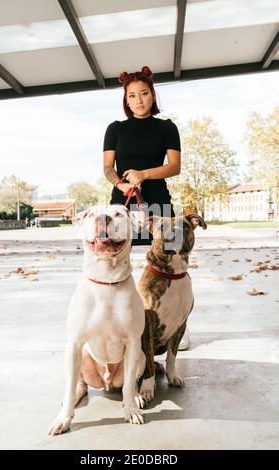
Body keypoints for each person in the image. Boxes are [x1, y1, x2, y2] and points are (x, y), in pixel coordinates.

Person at [103, 65, 190, 350]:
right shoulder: (114, 129)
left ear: (152, 95)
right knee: (117, 266)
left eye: (144, 93)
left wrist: (143, 175)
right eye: (132, 96)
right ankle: (121, 326)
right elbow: (107, 168)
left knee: (175, 263)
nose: (139, 100)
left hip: (160, 205)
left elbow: (174, 167)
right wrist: (121, 184)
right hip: (124, 206)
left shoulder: (167, 127)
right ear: (126, 100)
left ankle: (177, 325)